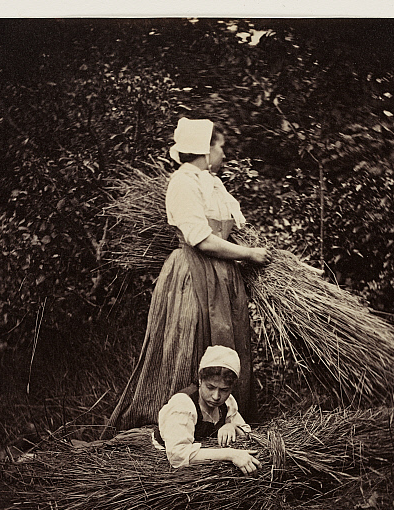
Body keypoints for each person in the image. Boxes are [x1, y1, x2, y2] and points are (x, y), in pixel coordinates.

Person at [107, 116, 271, 430]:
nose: (224, 154)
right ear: (206, 150)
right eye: (220, 147)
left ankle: (225, 420)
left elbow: (231, 229)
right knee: (189, 343)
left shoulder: (213, 183)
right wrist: (250, 255)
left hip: (223, 277)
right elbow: (202, 240)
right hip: (193, 274)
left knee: (225, 340)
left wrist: (249, 249)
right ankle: (178, 422)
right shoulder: (183, 182)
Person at [154, 346, 260, 476]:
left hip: (204, 459)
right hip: (168, 464)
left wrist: (231, 426)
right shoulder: (183, 405)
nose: (216, 396)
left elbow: (247, 432)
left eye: (224, 390)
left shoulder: (227, 403)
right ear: (200, 380)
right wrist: (230, 454)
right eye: (210, 387)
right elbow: (177, 456)